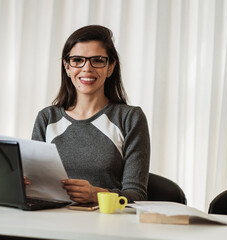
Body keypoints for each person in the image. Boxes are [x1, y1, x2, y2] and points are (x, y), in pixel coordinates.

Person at [31, 25, 150, 203]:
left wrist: (96, 195)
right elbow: (36, 184)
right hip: (51, 223)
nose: (87, 68)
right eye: (78, 60)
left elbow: (137, 195)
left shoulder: (129, 118)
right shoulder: (47, 118)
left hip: (105, 225)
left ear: (110, 67)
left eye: (98, 60)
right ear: (67, 67)